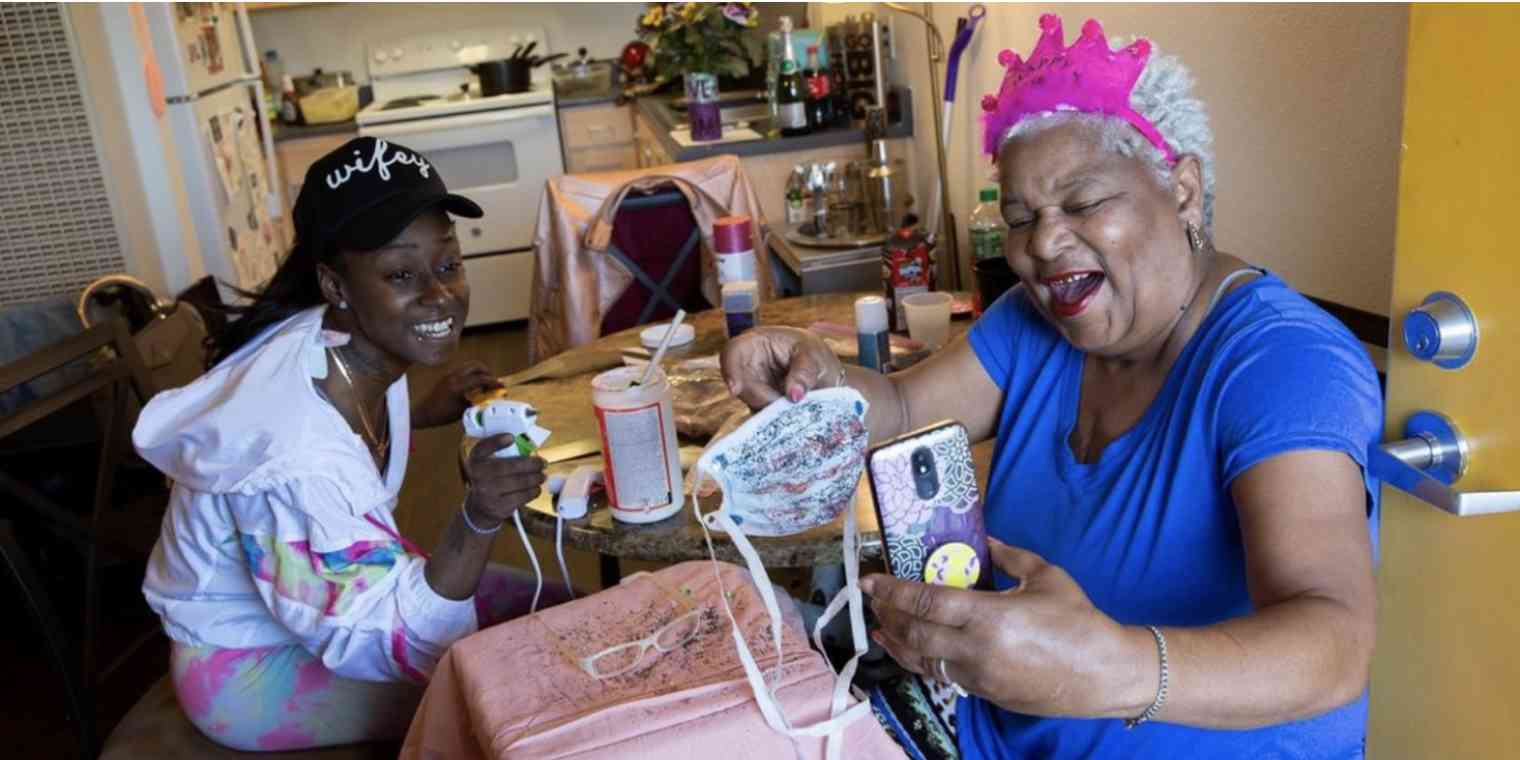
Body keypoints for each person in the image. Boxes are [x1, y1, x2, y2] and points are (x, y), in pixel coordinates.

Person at [722, 15, 1382, 759]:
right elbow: (903, 408)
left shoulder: (1281, 365)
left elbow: (1333, 641)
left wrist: (1116, 671)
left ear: (1184, 192)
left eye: (1083, 202)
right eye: (1019, 217)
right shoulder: (1037, 324)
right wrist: (824, 381)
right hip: (993, 737)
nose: (1041, 242)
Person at [134, 137, 565, 751]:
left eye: (448, 265)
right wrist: (476, 517)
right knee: (527, 683)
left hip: (319, 603)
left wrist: (423, 410)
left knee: (564, 611)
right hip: (250, 670)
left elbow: (344, 434)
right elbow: (387, 642)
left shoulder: (329, 342)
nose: (439, 295)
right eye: (400, 274)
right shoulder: (292, 455)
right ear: (336, 285)